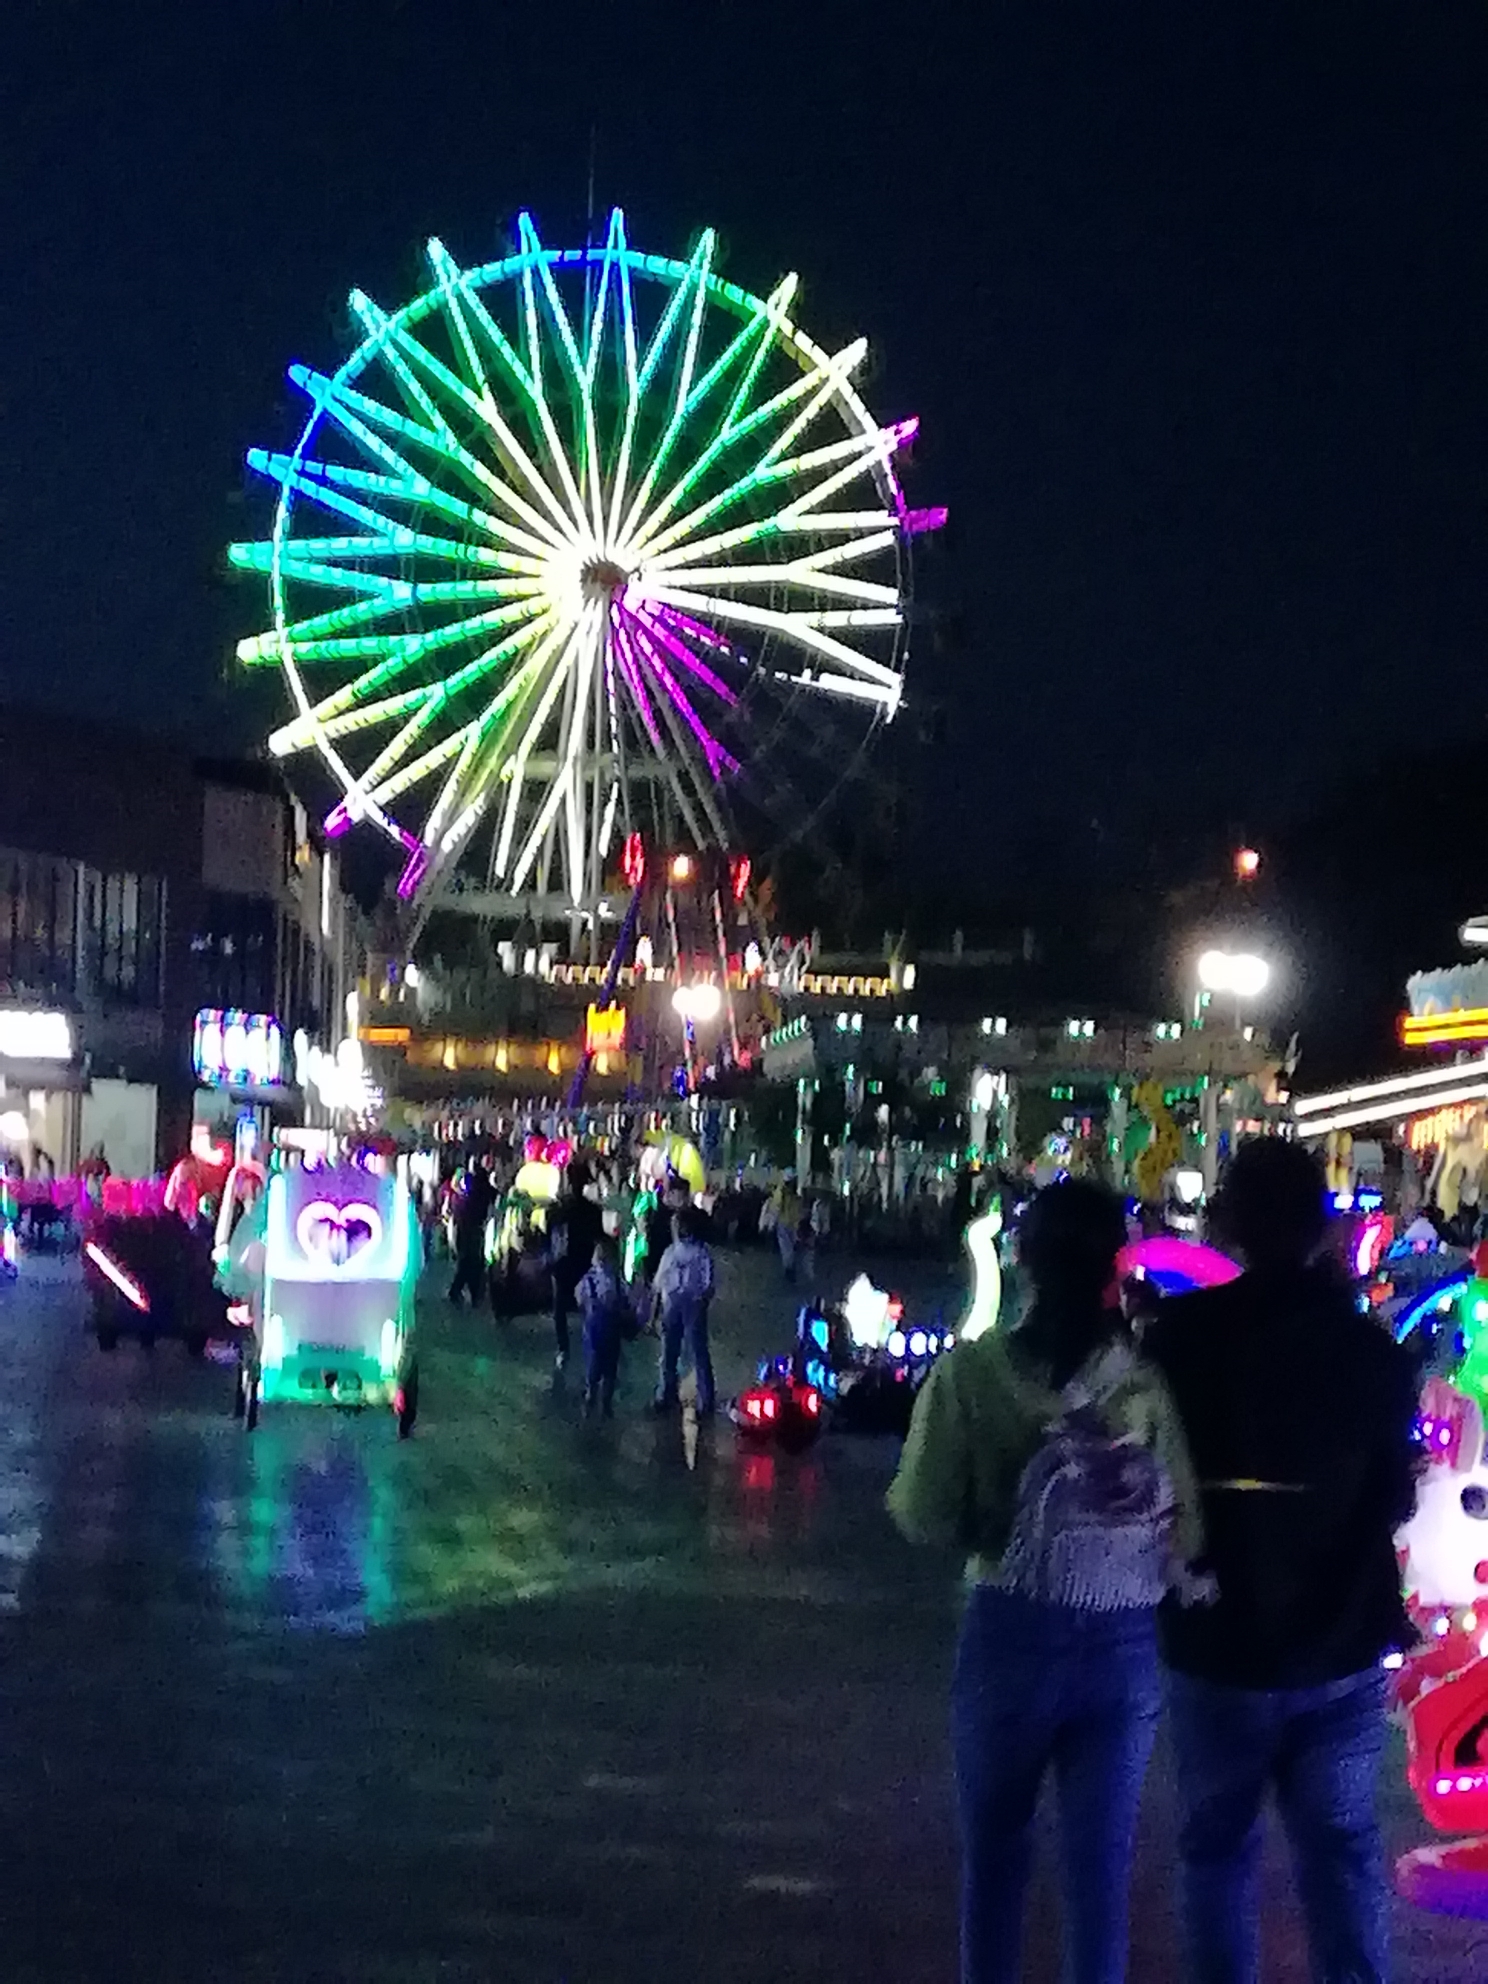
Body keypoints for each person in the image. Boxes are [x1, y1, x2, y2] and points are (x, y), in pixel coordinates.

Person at [888, 1178, 1204, 1984]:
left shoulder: (970, 1377)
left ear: (1022, 1261)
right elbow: (1188, 1529)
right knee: (1100, 1879)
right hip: (1124, 1646)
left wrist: (991, 1522)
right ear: (1112, 1267)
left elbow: (921, 1513)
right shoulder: (1145, 1388)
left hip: (1009, 1632)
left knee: (995, 1863)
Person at [1144, 1138, 1418, 1984]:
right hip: (1341, 1640)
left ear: (1229, 1223)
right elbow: (1394, 1497)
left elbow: (1157, 1483)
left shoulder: (1180, 1339)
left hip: (1215, 1638)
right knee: (1340, 1850)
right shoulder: (1373, 1352)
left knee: (1215, 1851)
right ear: (1321, 1231)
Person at [651, 1205, 717, 1414]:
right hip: (689, 1304)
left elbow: (659, 1284)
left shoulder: (674, 1252)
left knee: (671, 1352)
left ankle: (668, 1394)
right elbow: (709, 1285)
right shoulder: (701, 1253)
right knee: (694, 1352)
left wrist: (655, 1313)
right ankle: (703, 1399)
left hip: (677, 1304)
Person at [549, 1161, 604, 1372]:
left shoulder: (561, 1208)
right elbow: (599, 1239)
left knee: (560, 1309)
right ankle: (592, 1347)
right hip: (586, 1264)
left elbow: (551, 1231)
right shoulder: (593, 1210)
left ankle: (563, 1349)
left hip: (564, 1265)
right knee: (589, 1310)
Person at [576, 1236, 630, 1418]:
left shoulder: (587, 1279)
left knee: (593, 1363)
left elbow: (579, 1299)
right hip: (612, 1329)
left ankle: (591, 1394)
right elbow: (625, 1301)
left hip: (593, 1329)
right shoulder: (616, 1280)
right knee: (610, 1367)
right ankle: (606, 1402)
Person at [447, 1160, 494, 1306]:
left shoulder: (465, 1196)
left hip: (465, 1228)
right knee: (474, 1262)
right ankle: (471, 1293)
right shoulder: (484, 1190)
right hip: (475, 1229)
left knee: (467, 1261)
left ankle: (463, 1291)